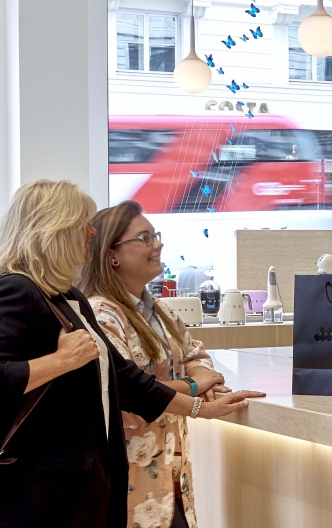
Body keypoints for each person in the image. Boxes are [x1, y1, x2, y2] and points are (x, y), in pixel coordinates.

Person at [0, 180, 265, 528]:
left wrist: (201, 407)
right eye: (82, 224)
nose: (91, 232)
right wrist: (59, 362)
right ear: (55, 231)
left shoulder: (65, 298)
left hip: (74, 496)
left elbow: (126, 381)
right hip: (26, 500)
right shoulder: (13, 290)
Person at [78, 201, 223, 528]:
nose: (157, 244)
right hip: (129, 480)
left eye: (155, 236)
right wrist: (195, 387)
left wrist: (199, 378)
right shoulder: (101, 314)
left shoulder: (159, 311)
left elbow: (198, 358)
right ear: (112, 253)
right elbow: (125, 394)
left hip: (171, 473)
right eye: (144, 238)